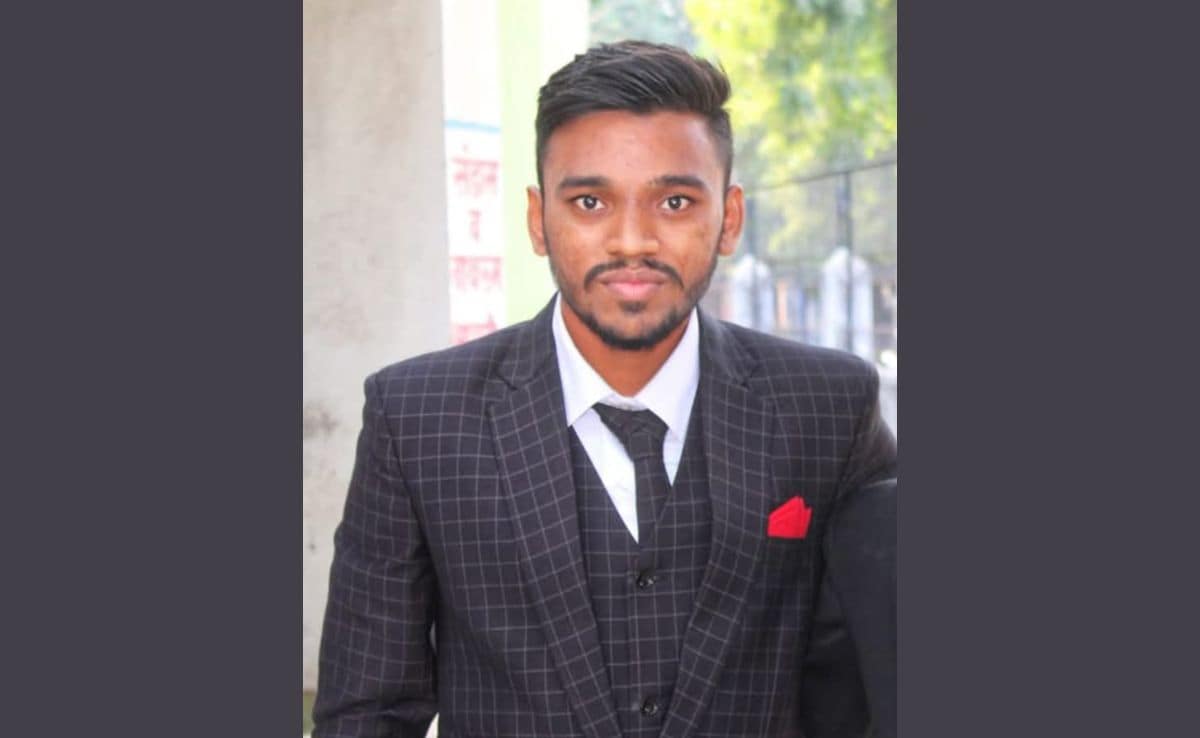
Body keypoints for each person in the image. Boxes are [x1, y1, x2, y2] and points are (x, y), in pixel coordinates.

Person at [314, 40, 897, 738]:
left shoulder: (829, 405)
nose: (631, 240)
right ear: (539, 220)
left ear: (730, 218)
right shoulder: (416, 418)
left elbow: (875, 673)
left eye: (675, 201)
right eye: (590, 201)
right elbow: (368, 713)